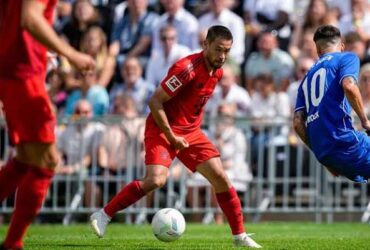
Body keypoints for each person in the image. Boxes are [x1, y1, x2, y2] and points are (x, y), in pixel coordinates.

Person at [90, 25, 262, 248]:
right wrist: (171, 136)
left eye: (227, 51)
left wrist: (188, 132)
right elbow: (155, 102)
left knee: (220, 177)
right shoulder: (186, 69)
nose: (222, 56)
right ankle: (103, 215)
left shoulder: (218, 71)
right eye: (219, 49)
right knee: (156, 180)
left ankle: (239, 236)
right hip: (163, 129)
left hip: (190, 132)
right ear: (205, 45)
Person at [0, 0, 95, 249]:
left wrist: (41, 49)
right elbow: (30, 18)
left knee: (26, 159)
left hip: (16, 68)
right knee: (47, 161)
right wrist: (71, 53)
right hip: (23, 73)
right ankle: (13, 243)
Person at [293, 25, 370, 183]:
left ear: (318, 50)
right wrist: (365, 120)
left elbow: (297, 123)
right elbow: (349, 85)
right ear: (341, 45)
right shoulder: (346, 58)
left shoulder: (305, 80)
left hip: (324, 153)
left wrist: (323, 157)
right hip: (345, 141)